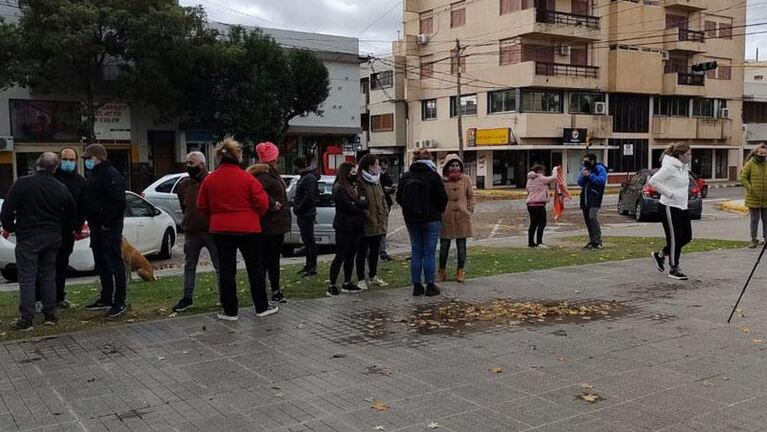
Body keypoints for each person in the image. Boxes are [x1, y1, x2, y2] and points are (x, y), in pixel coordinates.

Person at [197, 137, 276, 320]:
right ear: (237, 156)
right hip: (249, 229)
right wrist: (254, 216)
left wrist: (215, 217)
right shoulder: (247, 179)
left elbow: (202, 205)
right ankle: (261, 306)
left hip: (221, 230)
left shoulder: (210, 180)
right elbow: (262, 202)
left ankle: (230, 310)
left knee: (226, 270)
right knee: (255, 268)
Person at [1, 153, 75, 331]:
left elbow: (7, 209)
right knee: (48, 274)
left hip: (28, 236)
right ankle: (50, 314)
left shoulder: (22, 184)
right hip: (52, 236)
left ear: (37, 166)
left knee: (27, 277)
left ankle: (27, 318)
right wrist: (62, 229)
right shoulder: (60, 187)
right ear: (55, 167)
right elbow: (71, 211)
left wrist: (11, 227)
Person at [81, 144, 128, 318]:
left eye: (88, 158)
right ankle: (106, 296)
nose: (87, 162)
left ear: (98, 157)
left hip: (108, 227)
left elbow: (118, 202)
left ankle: (119, 300)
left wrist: (107, 223)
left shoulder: (110, 174)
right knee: (101, 263)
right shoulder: (94, 175)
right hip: (97, 226)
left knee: (114, 263)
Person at [172, 151, 220, 313]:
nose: (188, 166)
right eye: (186, 163)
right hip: (192, 232)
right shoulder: (184, 185)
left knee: (219, 265)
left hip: (211, 231)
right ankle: (187, 298)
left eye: (191, 163)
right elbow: (184, 207)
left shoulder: (212, 181)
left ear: (202, 164)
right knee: (189, 266)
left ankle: (224, 297)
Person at [396, 149, 448, 297]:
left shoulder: (406, 176)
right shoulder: (433, 176)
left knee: (416, 251)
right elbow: (442, 197)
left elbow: (399, 197)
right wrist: (438, 210)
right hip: (431, 219)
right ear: (429, 160)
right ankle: (430, 285)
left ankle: (417, 286)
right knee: (429, 252)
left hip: (412, 219)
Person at [248, 142, 290, 303]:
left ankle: (272, 290)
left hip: (274, 225)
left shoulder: (270, 175)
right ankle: (271, 291)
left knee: (271, 260)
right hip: (270, 226)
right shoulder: (265, 176)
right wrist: (273, 204)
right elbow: (256, 192)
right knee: (269, 261)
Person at [649, 143, 693, 281]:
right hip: (669, 206)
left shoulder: (683, 167)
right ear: (679, 155)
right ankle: (674, 268)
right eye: (688, 154)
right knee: (674, 239)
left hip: (682, 206)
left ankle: (660, 255)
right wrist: (670, 194)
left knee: (686, 237)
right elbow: (653, 181)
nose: (690, 157)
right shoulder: (669, 167)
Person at [52, 147, 86, 308]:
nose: (68, 162)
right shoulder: (52, 178)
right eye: (65, 159)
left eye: (71, 160)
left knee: (62, 265)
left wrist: (77, 228)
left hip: (68, 231)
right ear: (59, 160)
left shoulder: (80, 181)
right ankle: (41, 298)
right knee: (45, 265)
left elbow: (82, 207)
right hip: (51, 230)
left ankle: (60, 297)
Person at [327, 162, 366, 296]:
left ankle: (347, 282)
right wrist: (358, 204)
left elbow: (363, 201)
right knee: (341, 255)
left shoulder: (354, 186)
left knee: (351, 255)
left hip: (355, 225)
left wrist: (358, 202)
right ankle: (332, 284)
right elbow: (348, 206)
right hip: (344, 225)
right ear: (346, 173)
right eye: (353, 172)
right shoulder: (340, 187)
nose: (355, 174)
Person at [438, 154, 474, 283]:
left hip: (462, 216)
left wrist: (469, 210)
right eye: (452, 165)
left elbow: (471, 195)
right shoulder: (442, 180)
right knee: (444, 246)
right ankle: (441, 270)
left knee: (461, 246)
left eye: (457, 165)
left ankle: (460, 271)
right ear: (447, 166)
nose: (455, 167)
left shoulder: (466, 179)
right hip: (446, 216)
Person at [356, 155, 389, 290]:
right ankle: (360, 278)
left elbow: (382, 198)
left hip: (379, 220)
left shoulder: (377, 181)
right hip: (366, 222)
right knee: (362, 251)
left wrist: (385, 211)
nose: (379, 167)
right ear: (369, 166)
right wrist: (367, 215)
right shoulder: (360, 181)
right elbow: (359, 202)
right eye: (376, 164)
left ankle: (373, 275)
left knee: (375, 250)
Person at [293, 156, 318, 278]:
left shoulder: (308, 178)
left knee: (309, 241)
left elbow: (309, 196)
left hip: (306, 214)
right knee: (307, 241)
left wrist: (298, 208)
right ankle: (309, 265)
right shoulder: (305, 178)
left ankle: (312, 266)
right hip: (305, 213)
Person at [577, 153, 608, 250]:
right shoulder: (584, 168)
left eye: (587, 161)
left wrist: (590, 176)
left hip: (595, 197)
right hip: (585, 198)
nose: (585, 163)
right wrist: (583, 175)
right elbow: (580, 182)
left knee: (592, 218)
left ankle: (598, 241)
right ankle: (592, 240)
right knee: (588, 221)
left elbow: (602, 180)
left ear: (592, 160)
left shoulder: (599, 168)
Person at [740, 143, 767, 249]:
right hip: (753, 197)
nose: (763, 155)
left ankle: (766, 239)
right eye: (761, 153)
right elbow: (743, 177)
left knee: (766, 220)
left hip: (766, 198)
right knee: (754, 220)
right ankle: (753, 239)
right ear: (756, 153)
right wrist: (750, 188)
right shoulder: (750, 163)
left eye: (765, 153)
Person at [526, 164, 557, 248]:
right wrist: (555, 169)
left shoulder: (529, 180)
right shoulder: (540, 178)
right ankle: (539, 242)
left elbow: (528, 191)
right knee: (542, 223)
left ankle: (531, 242)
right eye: (543, 171)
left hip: (530, 204)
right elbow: (554, 178)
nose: (543, 173)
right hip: (539, 204)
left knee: (533, 223)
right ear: (539, 171)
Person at [379, 158, 396, 262]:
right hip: (381, 204)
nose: (384, 168)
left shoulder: (385, 174)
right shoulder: (377, 176)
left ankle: (382, 250)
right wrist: (388, 189)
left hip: (386, 203)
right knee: (381, 229)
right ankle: (381, 251)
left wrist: (392, 187)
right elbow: (382, 188)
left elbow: (389, 186)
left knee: (383, 229)